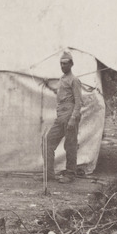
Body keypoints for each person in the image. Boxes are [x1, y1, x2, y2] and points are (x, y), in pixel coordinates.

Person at [46, 50, 86, 183]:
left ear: (71, 64)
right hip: (60, 116)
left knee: (70, 145)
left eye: (65, 64)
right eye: (61, 64)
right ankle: (49, 174)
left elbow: (78, 101)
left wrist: (73, 119)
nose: (62, 66)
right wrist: (48, 85)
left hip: (70, 115)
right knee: (47, 142)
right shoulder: (62, 80)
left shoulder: (75, 80)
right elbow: (61, 95)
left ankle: (70, 174)